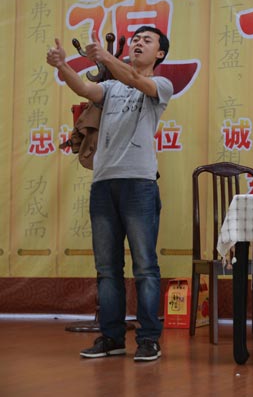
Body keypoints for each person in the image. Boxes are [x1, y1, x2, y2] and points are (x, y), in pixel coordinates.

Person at [46, 27, 173, 362]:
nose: (138, 43)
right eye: (136, 39)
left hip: (139, 184)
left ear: (160, 54)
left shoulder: (161, 85)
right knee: (107, 268)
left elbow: (136, 79)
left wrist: (104, 56)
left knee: (145, 266)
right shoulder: (112, 87)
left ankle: (148, 339)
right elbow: (84, 88)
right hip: (103, 184)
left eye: (147, 41)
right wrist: (62, 66)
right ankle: (112, 337)